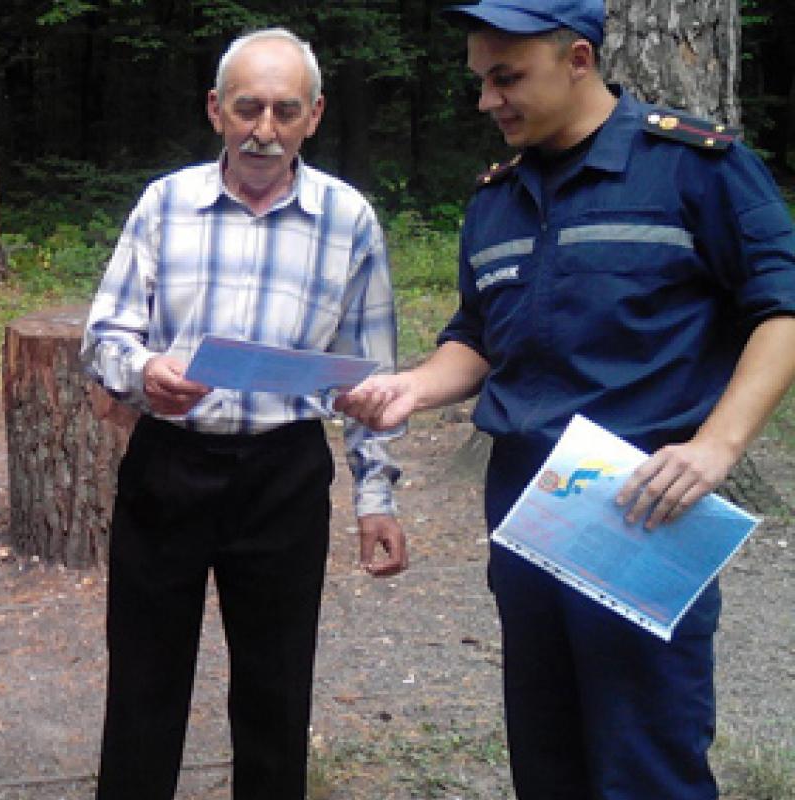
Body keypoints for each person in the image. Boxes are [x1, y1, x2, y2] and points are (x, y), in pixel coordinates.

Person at [334, 1, 795, 797]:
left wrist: (717, 446)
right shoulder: (497, 198)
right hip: (527, 501)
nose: (487, 100)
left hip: (644, 500)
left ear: (578, 59)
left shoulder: (694, 168)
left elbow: (780, 309)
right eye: (480, 81)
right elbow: (477, 336)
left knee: (647, 759)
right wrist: (413, 385)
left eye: (506, 78)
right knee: (547, 753)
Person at [80, 27, 409, 800]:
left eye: (285, 111)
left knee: (276, 687)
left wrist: (377, 495)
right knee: (143, 681)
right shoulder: (166, 205)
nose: (265, 129)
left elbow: (372, 374)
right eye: (248, 108)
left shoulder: (348, 220)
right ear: (215, 110)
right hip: (171, 465)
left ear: (314, 116)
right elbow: (105, 336)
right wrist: (144, 372)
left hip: (284, 473)